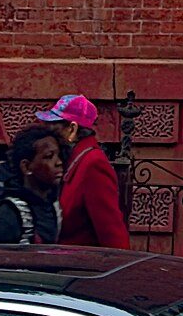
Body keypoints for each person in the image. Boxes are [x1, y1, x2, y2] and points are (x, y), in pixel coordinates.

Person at [38, 94, 130, 249]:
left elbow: (111, 231)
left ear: (72, 129)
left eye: (53, 128)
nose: (48, 135)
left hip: (80, 268)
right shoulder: (73, 160)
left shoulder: (93, 164)